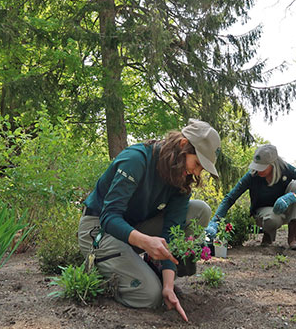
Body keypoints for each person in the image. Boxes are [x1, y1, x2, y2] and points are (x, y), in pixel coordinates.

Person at [78, 119, 220, 322]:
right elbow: (109, 217)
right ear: (182, 146)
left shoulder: (180, 180)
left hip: (133, 230)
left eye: (201, 169)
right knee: (149, 296)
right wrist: (145, 241)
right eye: (197, 163)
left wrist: (168, 286)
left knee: (200, 210)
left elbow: (172, 233)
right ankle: (100, 272)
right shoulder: (135, 160)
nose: (196, 173)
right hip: (99, 228)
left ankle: (148, 270)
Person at [205, 144, 296, 249]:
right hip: (264, 214)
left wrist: (292, 196)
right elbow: (230, 197)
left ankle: (293, 237)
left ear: (273, 164)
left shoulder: (287, 170)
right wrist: (216, 220)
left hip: (286, 207)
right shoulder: (252, 175)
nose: (258, 169)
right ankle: (268, 235)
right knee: (272, 219)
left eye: (262, 166)